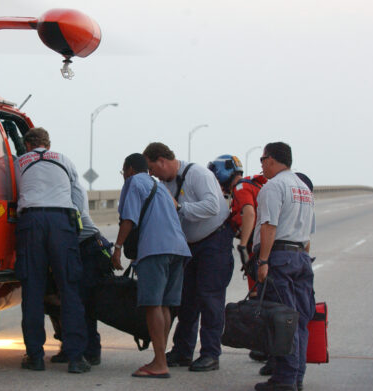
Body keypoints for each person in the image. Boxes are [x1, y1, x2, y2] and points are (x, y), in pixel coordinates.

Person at [143, 142, 234, 372]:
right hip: (189, 247)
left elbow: (213, 206)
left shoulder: (198, 174)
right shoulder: (163, 184)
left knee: (210, 299)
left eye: (152, 169)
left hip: (214, 242)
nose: (152, 175)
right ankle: (183, 351)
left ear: (162, 161)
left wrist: (181, 208)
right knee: (186, 301)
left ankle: (210, 354)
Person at [14, 127, 90, 374]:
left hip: (31, 222)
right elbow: (78, 196)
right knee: (69, 288)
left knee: (33, 290)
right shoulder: (64, 160)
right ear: (48, 144)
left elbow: (14, 192)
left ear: (27, 146)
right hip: (61, 220)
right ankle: (76, 357)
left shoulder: (19, 162)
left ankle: (35, 357)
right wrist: (72, 225)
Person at [111, 153, 191, 379]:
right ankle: (160, 358)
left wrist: (117, 248)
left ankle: (160, 363)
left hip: (155, 249)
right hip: (178, 249)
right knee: (165, 305)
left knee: (152, 304)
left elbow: (129, 218)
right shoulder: (160, 187)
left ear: (128, 169)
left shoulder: (134, 182)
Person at [252, 142, 316, 391]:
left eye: (262, 159)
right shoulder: (303, 188)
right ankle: (296, 376)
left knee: (283, 320)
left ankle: (284, 379)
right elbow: (308, 233)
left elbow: (269, 225)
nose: (261, 164)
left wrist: (264, 261)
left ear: (271, 159)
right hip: (300, 257)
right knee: (299, 320)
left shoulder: (273, 186)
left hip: (280, 257)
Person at [208, 154, 270, 364]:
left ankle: (264, 347)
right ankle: (266, 347)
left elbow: (249, 214)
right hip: (264, 247)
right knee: (262, 295)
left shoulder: (241, 188)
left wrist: (243, 245)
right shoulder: (253, 185)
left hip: (256, 248)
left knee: (258, 297)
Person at [48, 183, 114, 366]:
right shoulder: (60, 192)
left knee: (83, 301)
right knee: (58, 301)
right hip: (73, 248)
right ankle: (70, 347)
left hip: (87, 247)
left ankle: (91, 351)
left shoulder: (67, 194)